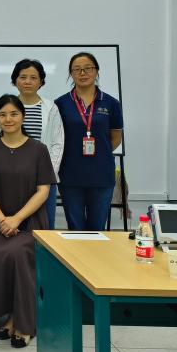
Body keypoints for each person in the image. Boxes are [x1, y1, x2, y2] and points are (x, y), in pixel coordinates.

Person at [0, 95, 56, 348]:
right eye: (2, 114)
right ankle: (8, 314)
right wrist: (2, 218)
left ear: (22, 116)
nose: (8, 119)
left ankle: (23, 322)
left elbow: (43, 191)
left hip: (30, 220)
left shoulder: (38, 149)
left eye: (13, 114)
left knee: (18, 253)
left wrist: (17, 218)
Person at [54, 52, 124, 230]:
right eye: (77, 69)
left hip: (101, 175)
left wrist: (100, 152)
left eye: (88, 68)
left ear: (96, 71)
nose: (82, 73)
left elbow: (116, 137)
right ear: (71, 74)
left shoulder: (111, 103)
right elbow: (57, 139)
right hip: (70, 175)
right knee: (75, 228)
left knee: (97, 229)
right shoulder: (60, 104)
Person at [11, 58, 64, 229]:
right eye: (23, 77)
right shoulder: (6, 107)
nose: (28, 81)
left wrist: (47, 174)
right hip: (13, 177)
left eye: (33, 77)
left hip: (43, 179)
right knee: (15, 225)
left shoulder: (51, 108)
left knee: (44, 228)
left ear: (41, 82)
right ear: (15, 80)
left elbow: (58, 143)